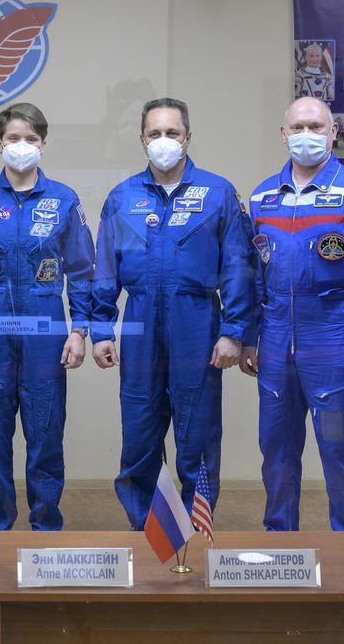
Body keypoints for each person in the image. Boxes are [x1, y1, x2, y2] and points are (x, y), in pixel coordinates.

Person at [90, 97, 255, 529]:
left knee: (197, 435)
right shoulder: (122, 197)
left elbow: (239, 267)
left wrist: (234, 330)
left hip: (197, 323)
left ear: (187, 137)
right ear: (142, 139)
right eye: (155, 133)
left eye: (172, 133)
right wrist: (101, 329)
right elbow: (104, 268)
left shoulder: (218, 194)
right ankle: (147, 531)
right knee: (140, 434)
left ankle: (195, 531)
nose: (164, 141)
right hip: (140, 322)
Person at [240, 96, 344, 531]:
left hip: (334, 342)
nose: (306, 135)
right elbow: (255, 275)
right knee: (276, 451)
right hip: (275, 343)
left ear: (333, 132)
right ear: (284, 134)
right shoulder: (263, 197)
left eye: (315, 127)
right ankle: (280, 545)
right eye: (297, 128)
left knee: (341, 450)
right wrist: (251, 337)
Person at [0, 103, 95, 530]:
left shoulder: (64, 200)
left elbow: (82, 270)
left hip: (45, 335)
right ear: (0, 144)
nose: (22, 146)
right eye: (14, 138)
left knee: (45, 438)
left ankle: (45, 530)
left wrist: (80, 329)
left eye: (31, 139)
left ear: (43, 145)